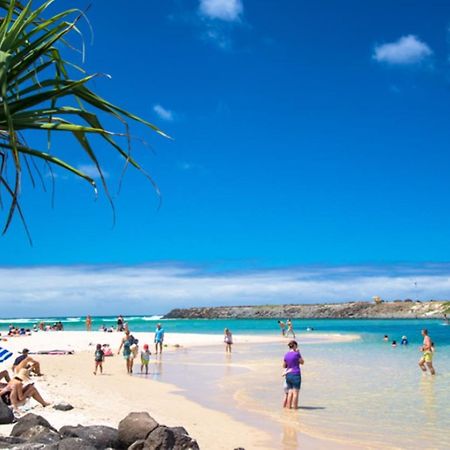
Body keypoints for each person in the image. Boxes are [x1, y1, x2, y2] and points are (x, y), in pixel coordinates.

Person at [283, 340, 304, 409]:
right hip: (296, 374)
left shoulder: (286, 355)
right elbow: (302, 362)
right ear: (294, 346)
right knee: (295, 393)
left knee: (290, 392)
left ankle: (288, 407)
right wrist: (299, 353)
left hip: (288, 375)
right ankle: (295, 408)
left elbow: (284, 366)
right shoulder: (296, 354)